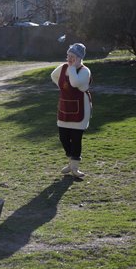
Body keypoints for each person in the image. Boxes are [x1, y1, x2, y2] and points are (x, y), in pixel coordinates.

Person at [50, 43, 92, 177]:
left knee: (76, 138)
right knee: (63, 137)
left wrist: (73, 67)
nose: (69, 59)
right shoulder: (63, 67)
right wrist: (62, 87)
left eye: (72, 56)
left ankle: (74, 168)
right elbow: (53, 76)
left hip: (81, 109)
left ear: (79, 58)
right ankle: (70, 162)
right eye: (68, 55)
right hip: (65, 107)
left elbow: (74, 83)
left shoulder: (85, 71)